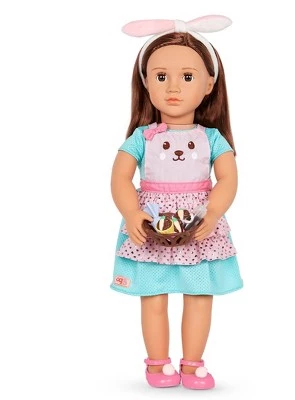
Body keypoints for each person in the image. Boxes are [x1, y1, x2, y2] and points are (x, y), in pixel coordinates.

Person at [110, 15, 243, 390]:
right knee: (152, 295)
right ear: (145, 82)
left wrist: (213, 211)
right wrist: (131, 212)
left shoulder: (212, 138)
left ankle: (192, 363)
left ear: (209, 84)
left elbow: (228, 178)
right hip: (152, 226)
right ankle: (157, 364)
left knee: (199, 294)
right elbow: (120, 177)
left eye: (187, 76)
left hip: (198, 228)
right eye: (160, 76)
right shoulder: (142, 137)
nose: (172, 87)